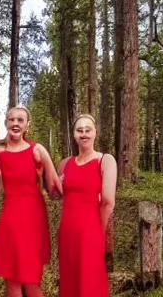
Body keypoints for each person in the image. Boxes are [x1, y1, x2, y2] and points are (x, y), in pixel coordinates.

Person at [0, 105, 61, 297]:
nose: (15, 123)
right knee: (12, 280)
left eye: (20, 120)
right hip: (10, 219)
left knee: (31, 280)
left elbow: (55, 186)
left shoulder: (37, 150)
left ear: (27, 125)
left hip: (33, 220)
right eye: (12, 119)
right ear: (6, 123)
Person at [57, 113, 117, 297]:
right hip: (67, 231)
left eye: (88, 130)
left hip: (90, 231)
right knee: (69, 280)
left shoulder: (105, 160)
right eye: (79, 130)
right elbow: (57, 195)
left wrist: (99, 230)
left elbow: (108, 202)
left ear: (95, 133)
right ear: (74, 135)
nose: (84, 134)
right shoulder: (64, 164)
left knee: (90, 282)